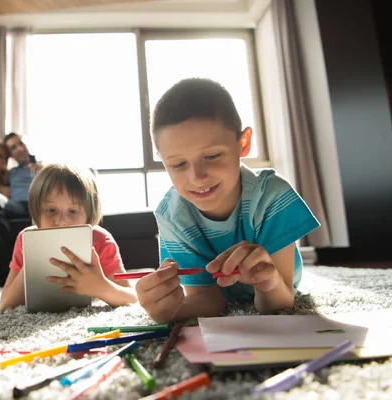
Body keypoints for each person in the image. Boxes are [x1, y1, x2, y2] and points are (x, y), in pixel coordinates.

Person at [135, 78, 320, 323]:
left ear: (243, 143)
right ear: (162, 159)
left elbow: (282, 302)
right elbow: (208, 300)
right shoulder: (172, 215)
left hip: (279, 287)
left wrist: (267, 282)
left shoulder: (272, 197)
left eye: (212, 156)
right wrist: (166, 310)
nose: (197, 177)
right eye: (178, 164)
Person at [0, 163, 138, 311]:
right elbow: (5, 304)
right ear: (36, 212)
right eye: (51, 210)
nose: (61, 221)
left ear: (89, 215)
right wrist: (33, 258)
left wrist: (100, 287)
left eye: (73, 211)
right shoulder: (25, 239)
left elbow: (132, 297)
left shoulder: (100, 241)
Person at [0, 132, 41, 274]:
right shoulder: (12, 173)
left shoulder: (45, 165)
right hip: (18, 206)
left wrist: (40, 169)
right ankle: (5, 269)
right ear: (10, 155)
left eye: (21, 143)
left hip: (39, 204)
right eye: (14, 148)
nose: (20, 149)